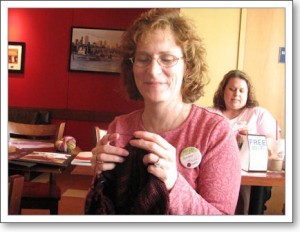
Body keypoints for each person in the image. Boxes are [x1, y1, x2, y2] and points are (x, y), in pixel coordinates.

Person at [85, 8, 241, 215]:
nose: (153, 70)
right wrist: (99, 178)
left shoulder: (214, 131)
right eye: (143, 58)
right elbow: (105, 208)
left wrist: (173, 182)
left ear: (187, 66)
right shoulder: (120, 127)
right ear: (132, 66)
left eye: (167, 59)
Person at [211, 69, 280, 214]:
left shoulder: (258, 113)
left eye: (242, 90)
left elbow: (273, 143)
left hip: (251, 177)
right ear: (223, 91)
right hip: (216, 172)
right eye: (232, 89)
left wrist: (251, 139)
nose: (237, 94)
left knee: (251, 206)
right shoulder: (210, 113)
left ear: (248, 94)